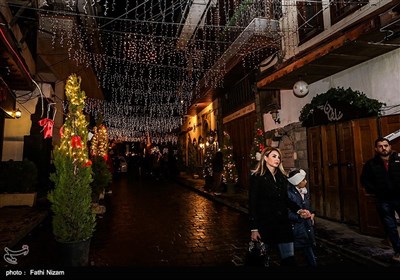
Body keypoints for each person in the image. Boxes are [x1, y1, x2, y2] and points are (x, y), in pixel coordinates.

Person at [249, 147, 311, 266]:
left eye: (278, 157)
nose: (277, 159)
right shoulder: (257, 177)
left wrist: (299, 210)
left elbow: (285, 199)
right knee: (260, 260)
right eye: (274, 156)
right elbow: (252, 204)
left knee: (289, 259)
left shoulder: (281, 177)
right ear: (265, 158)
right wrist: (254, 228)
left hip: (283, 224)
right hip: (265, 225)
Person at [360, 137, 400, 262]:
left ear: (390, 147)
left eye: (386, 145)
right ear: (376, 149)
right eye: (380, 146)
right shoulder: (371, 164)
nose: (384, 148)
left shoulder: (398, 161)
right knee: (390, 226)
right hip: (383, 200)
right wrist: (376, 190)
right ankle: (398, 251)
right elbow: (364, 180)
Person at [287, 169, 317, 267]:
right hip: (296, 228)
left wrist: (312, 214)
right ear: (297, 182)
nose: (306, 181)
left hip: (307, 227)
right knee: (293, 254)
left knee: (309, 250)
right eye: (304, 180)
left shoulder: (305, 192)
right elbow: (287, 212)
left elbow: (309, 207)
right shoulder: (289, 194)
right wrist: (299, 217)